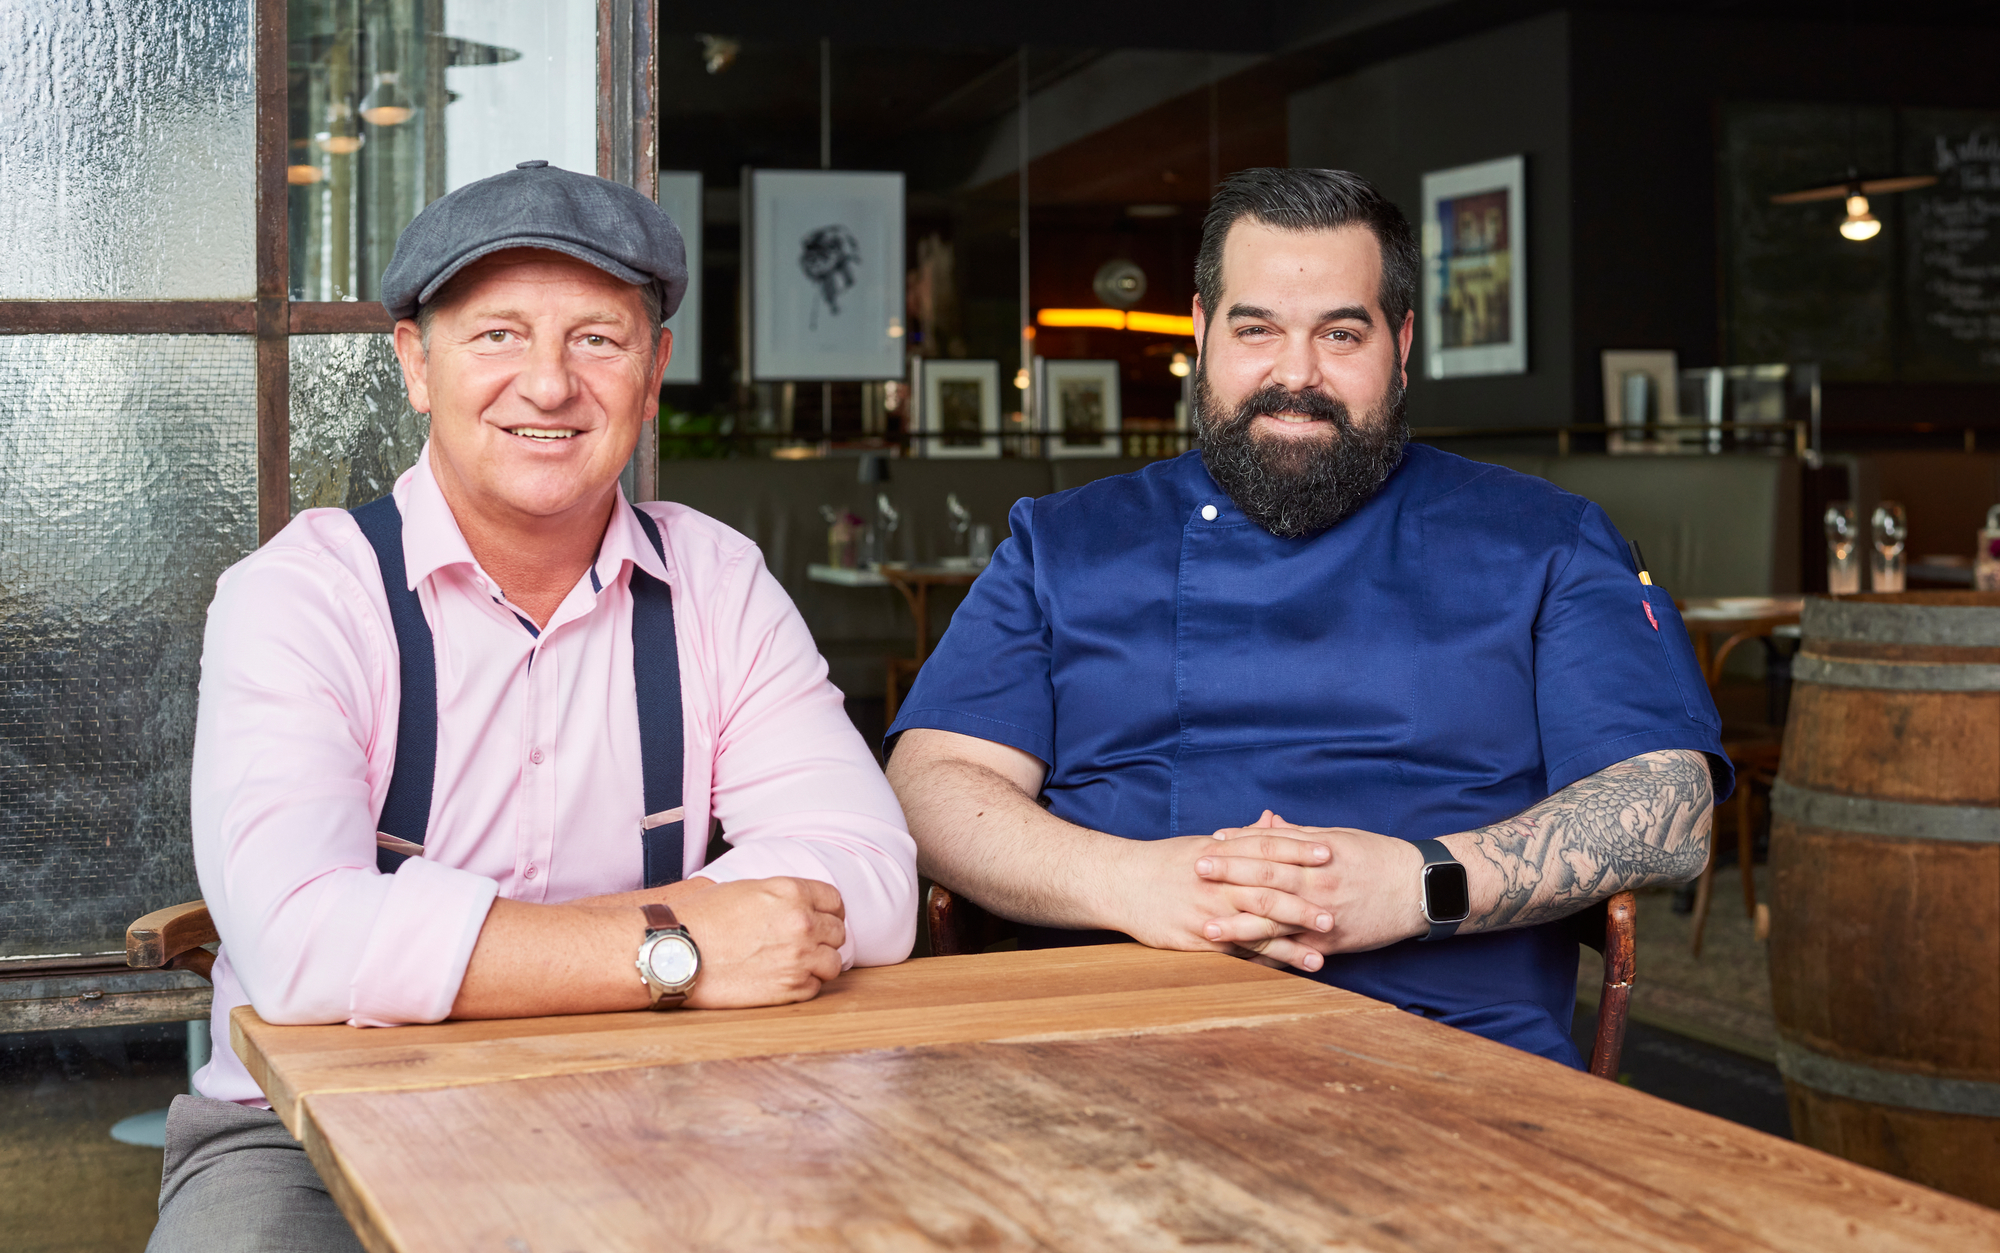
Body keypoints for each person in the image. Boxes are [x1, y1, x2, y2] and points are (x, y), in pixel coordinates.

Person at [151, 161, 917, 1252]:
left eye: (597, 340)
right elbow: (299, 946)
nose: (549, 385)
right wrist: (682, 946)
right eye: (497, 335)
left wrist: (432, 946)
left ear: (653, 373)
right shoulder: (302, 596)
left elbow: (872, 879)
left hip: (667, 1101)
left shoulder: (716, 582)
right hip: (306, 1135)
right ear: (416, 364)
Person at [886, 167, 1728, 1069]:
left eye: (1340, 333)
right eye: (1256, 329)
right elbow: (929, 782)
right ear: (1203, 331)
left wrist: (1420, 883)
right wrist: (1132, 882)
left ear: (1402, 343)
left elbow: (1671, 803)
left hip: (1452, 1057)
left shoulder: (1544, 540)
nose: (1296, 374)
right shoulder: (1062, 544)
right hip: (1107, 1040)